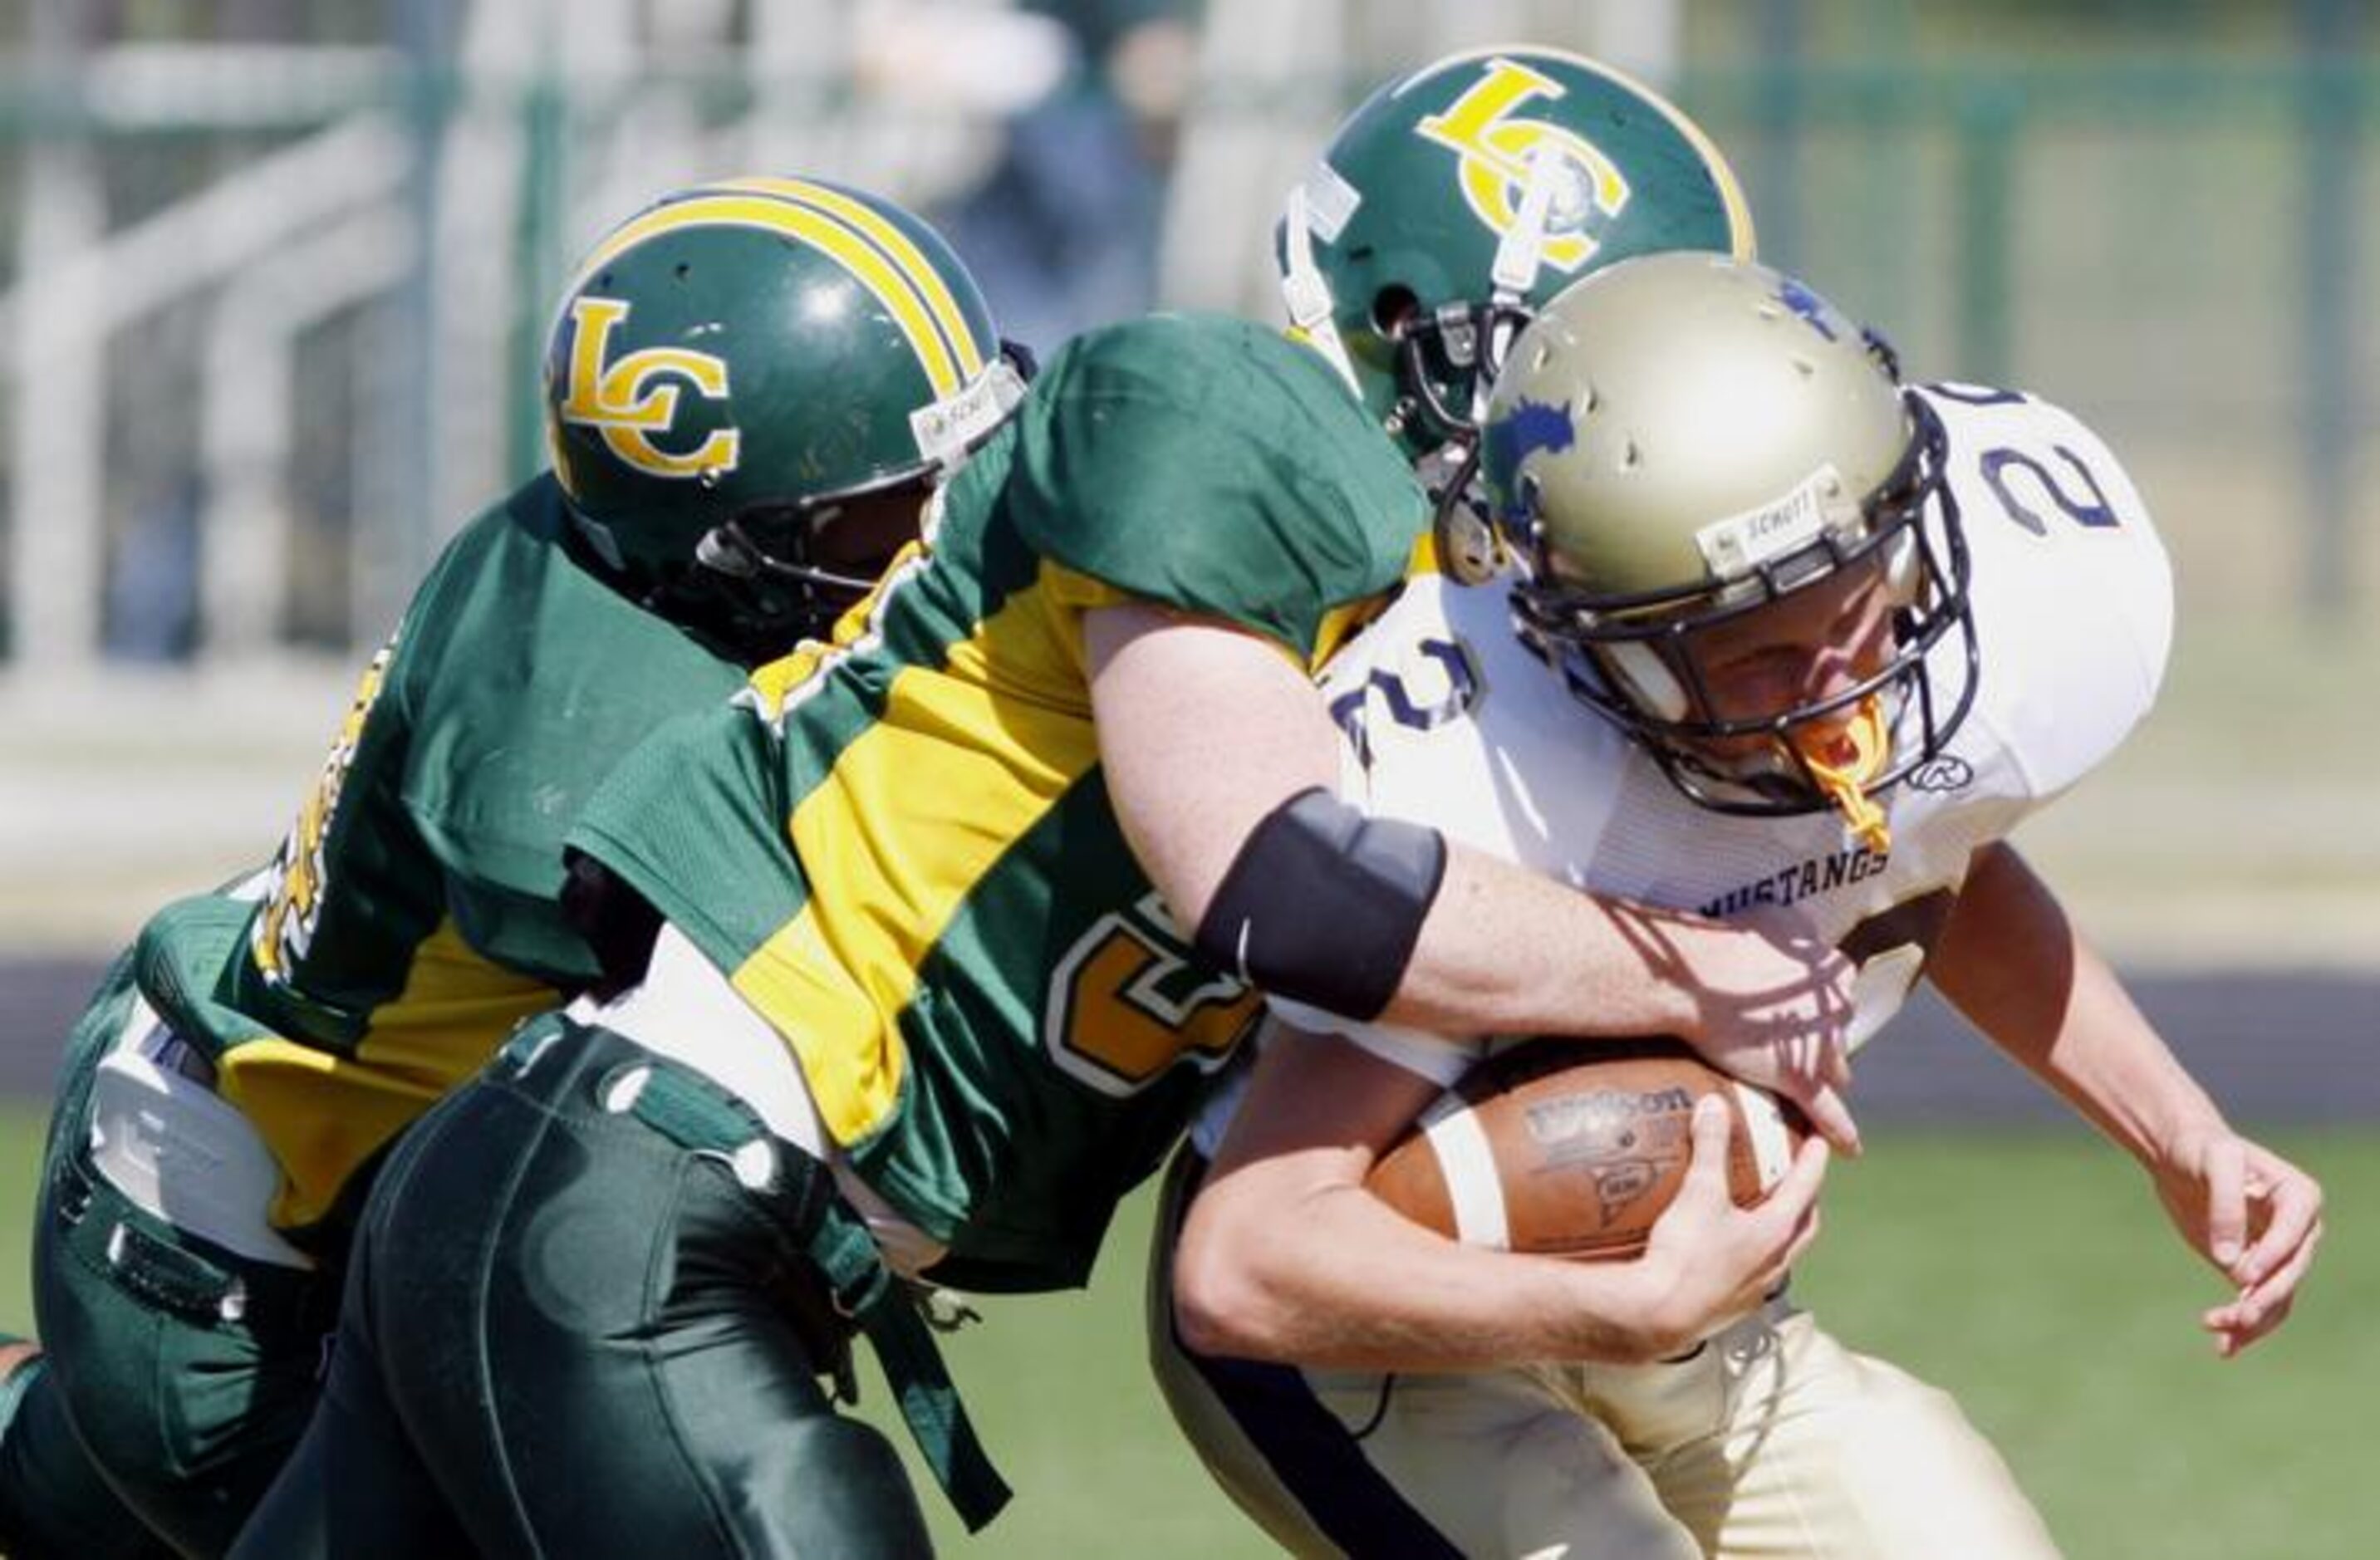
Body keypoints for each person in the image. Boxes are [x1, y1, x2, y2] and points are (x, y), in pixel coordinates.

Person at [223, 57, 1862, 1560]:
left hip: (660, 1227)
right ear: (1436, 336)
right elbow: (1282, 888)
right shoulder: (1218, 414)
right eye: (1607, 363)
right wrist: (1697, 975)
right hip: (634, 1193)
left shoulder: (1453, 630)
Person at [1152, 253, 2328, 1559]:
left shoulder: (1952, 640)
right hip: (1375, 1354)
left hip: (1700, 1325)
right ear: (1598, 645)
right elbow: (1239, 1262)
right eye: (1762, 651)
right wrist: (1613, 1308)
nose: (1844, 696)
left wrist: (2176, 1132)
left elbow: (1938, 858)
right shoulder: (1499, 790)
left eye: (1863, 610)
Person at [0, 175, 1026, 1560]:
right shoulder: (574, 769)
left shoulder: (631, 560)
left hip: (250, 1137)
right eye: (887, 511)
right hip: (243, 1273)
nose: (939, 537)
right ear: (726, 536)